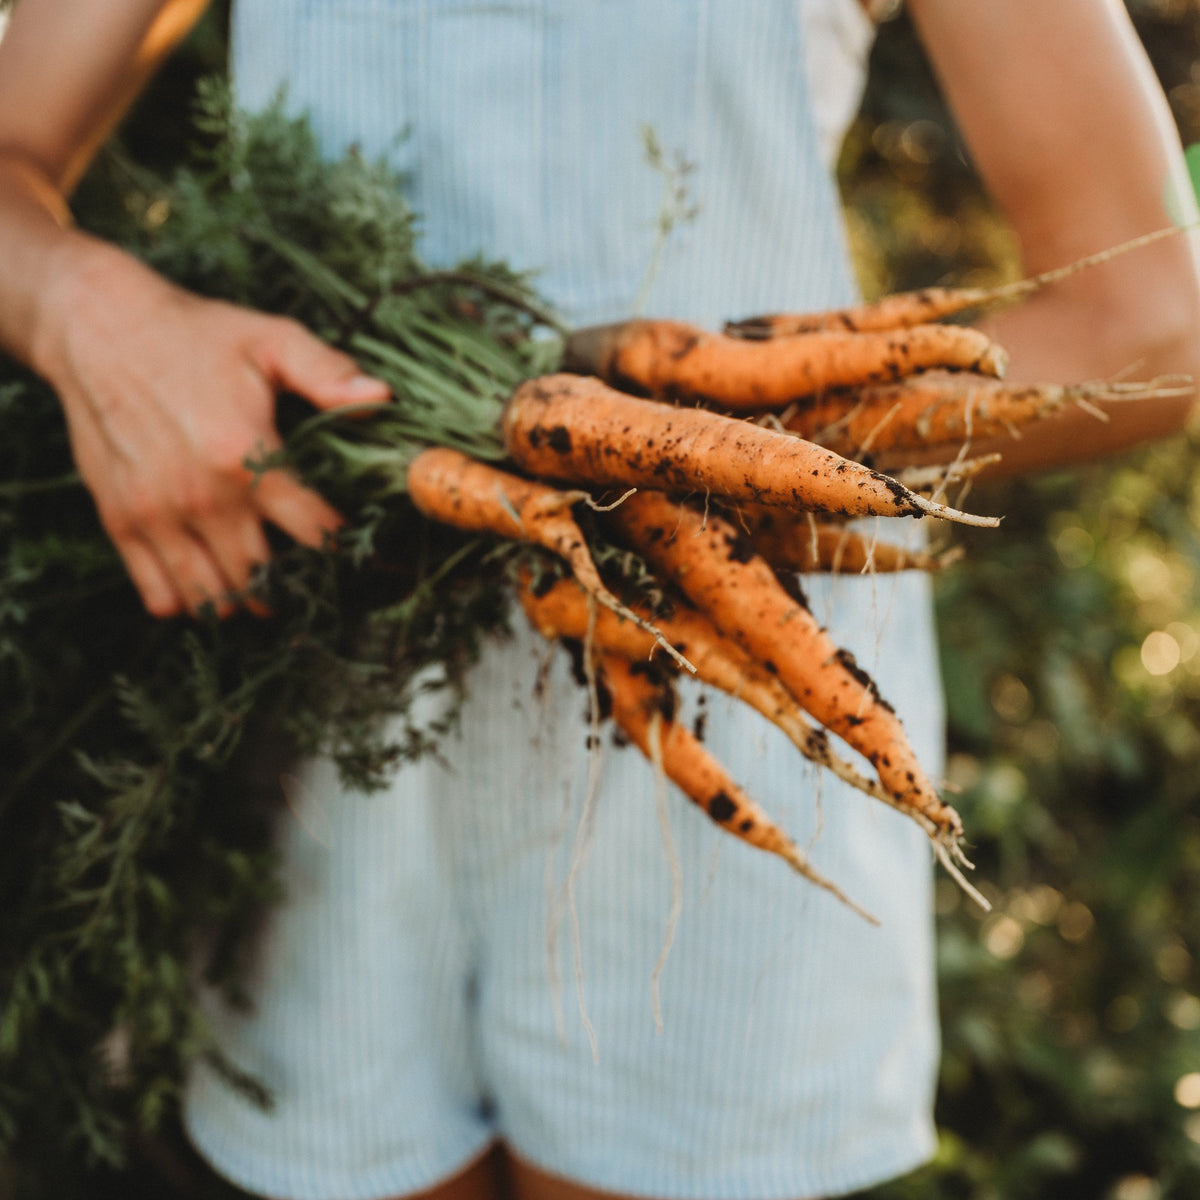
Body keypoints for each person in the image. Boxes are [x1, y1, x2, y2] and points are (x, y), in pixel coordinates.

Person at [1, 2, 1198, 1198]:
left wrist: (716, 455)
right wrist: (79, 306)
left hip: (723, 661)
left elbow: (1150, 321)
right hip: (318, 676)